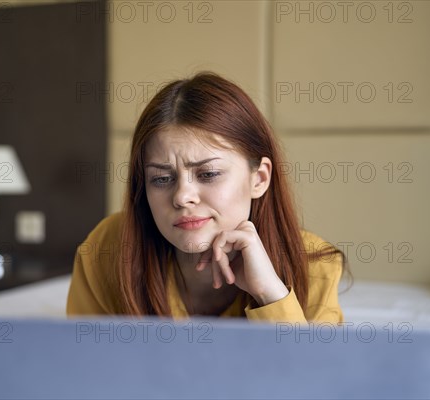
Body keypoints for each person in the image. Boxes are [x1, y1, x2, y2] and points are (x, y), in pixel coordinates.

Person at [66, 72, 346, 323]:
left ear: (259, 178)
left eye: (209, 174)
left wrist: (271, 295)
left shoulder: (313, 264)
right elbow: (84, 370)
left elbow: (311, 379)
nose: (182, 197)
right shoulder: (108, 249)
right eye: (161, 179)